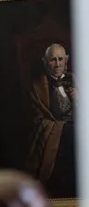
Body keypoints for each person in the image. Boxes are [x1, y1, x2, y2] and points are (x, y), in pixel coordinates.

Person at [26, 43, 77, 197]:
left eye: (60, 59)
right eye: (52, 60)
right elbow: (39, 120)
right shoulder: (37, 87)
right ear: (45, 62)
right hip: (54, 136)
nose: (57, 64)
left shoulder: (77, 81)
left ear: (66, 60)